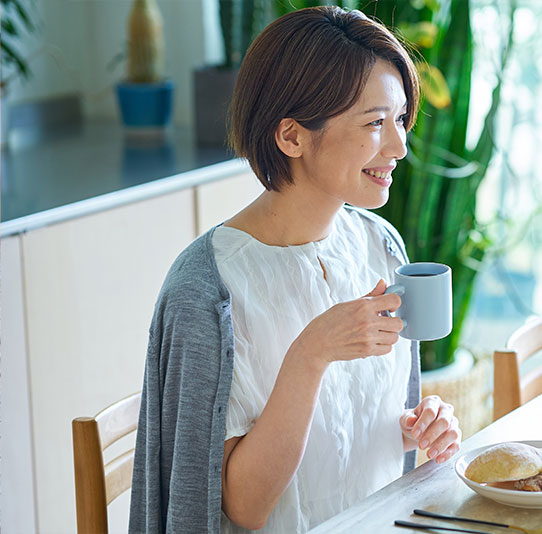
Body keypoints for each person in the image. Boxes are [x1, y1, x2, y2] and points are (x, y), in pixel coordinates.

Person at [128, 6, 462, 534]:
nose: (399, 146)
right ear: (291, 136)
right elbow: (244, 508)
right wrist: (310, 354)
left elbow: (349, 430)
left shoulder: (381, 247)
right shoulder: (208, 289)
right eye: (375, 123)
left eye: (399, 119)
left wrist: (415, 427)